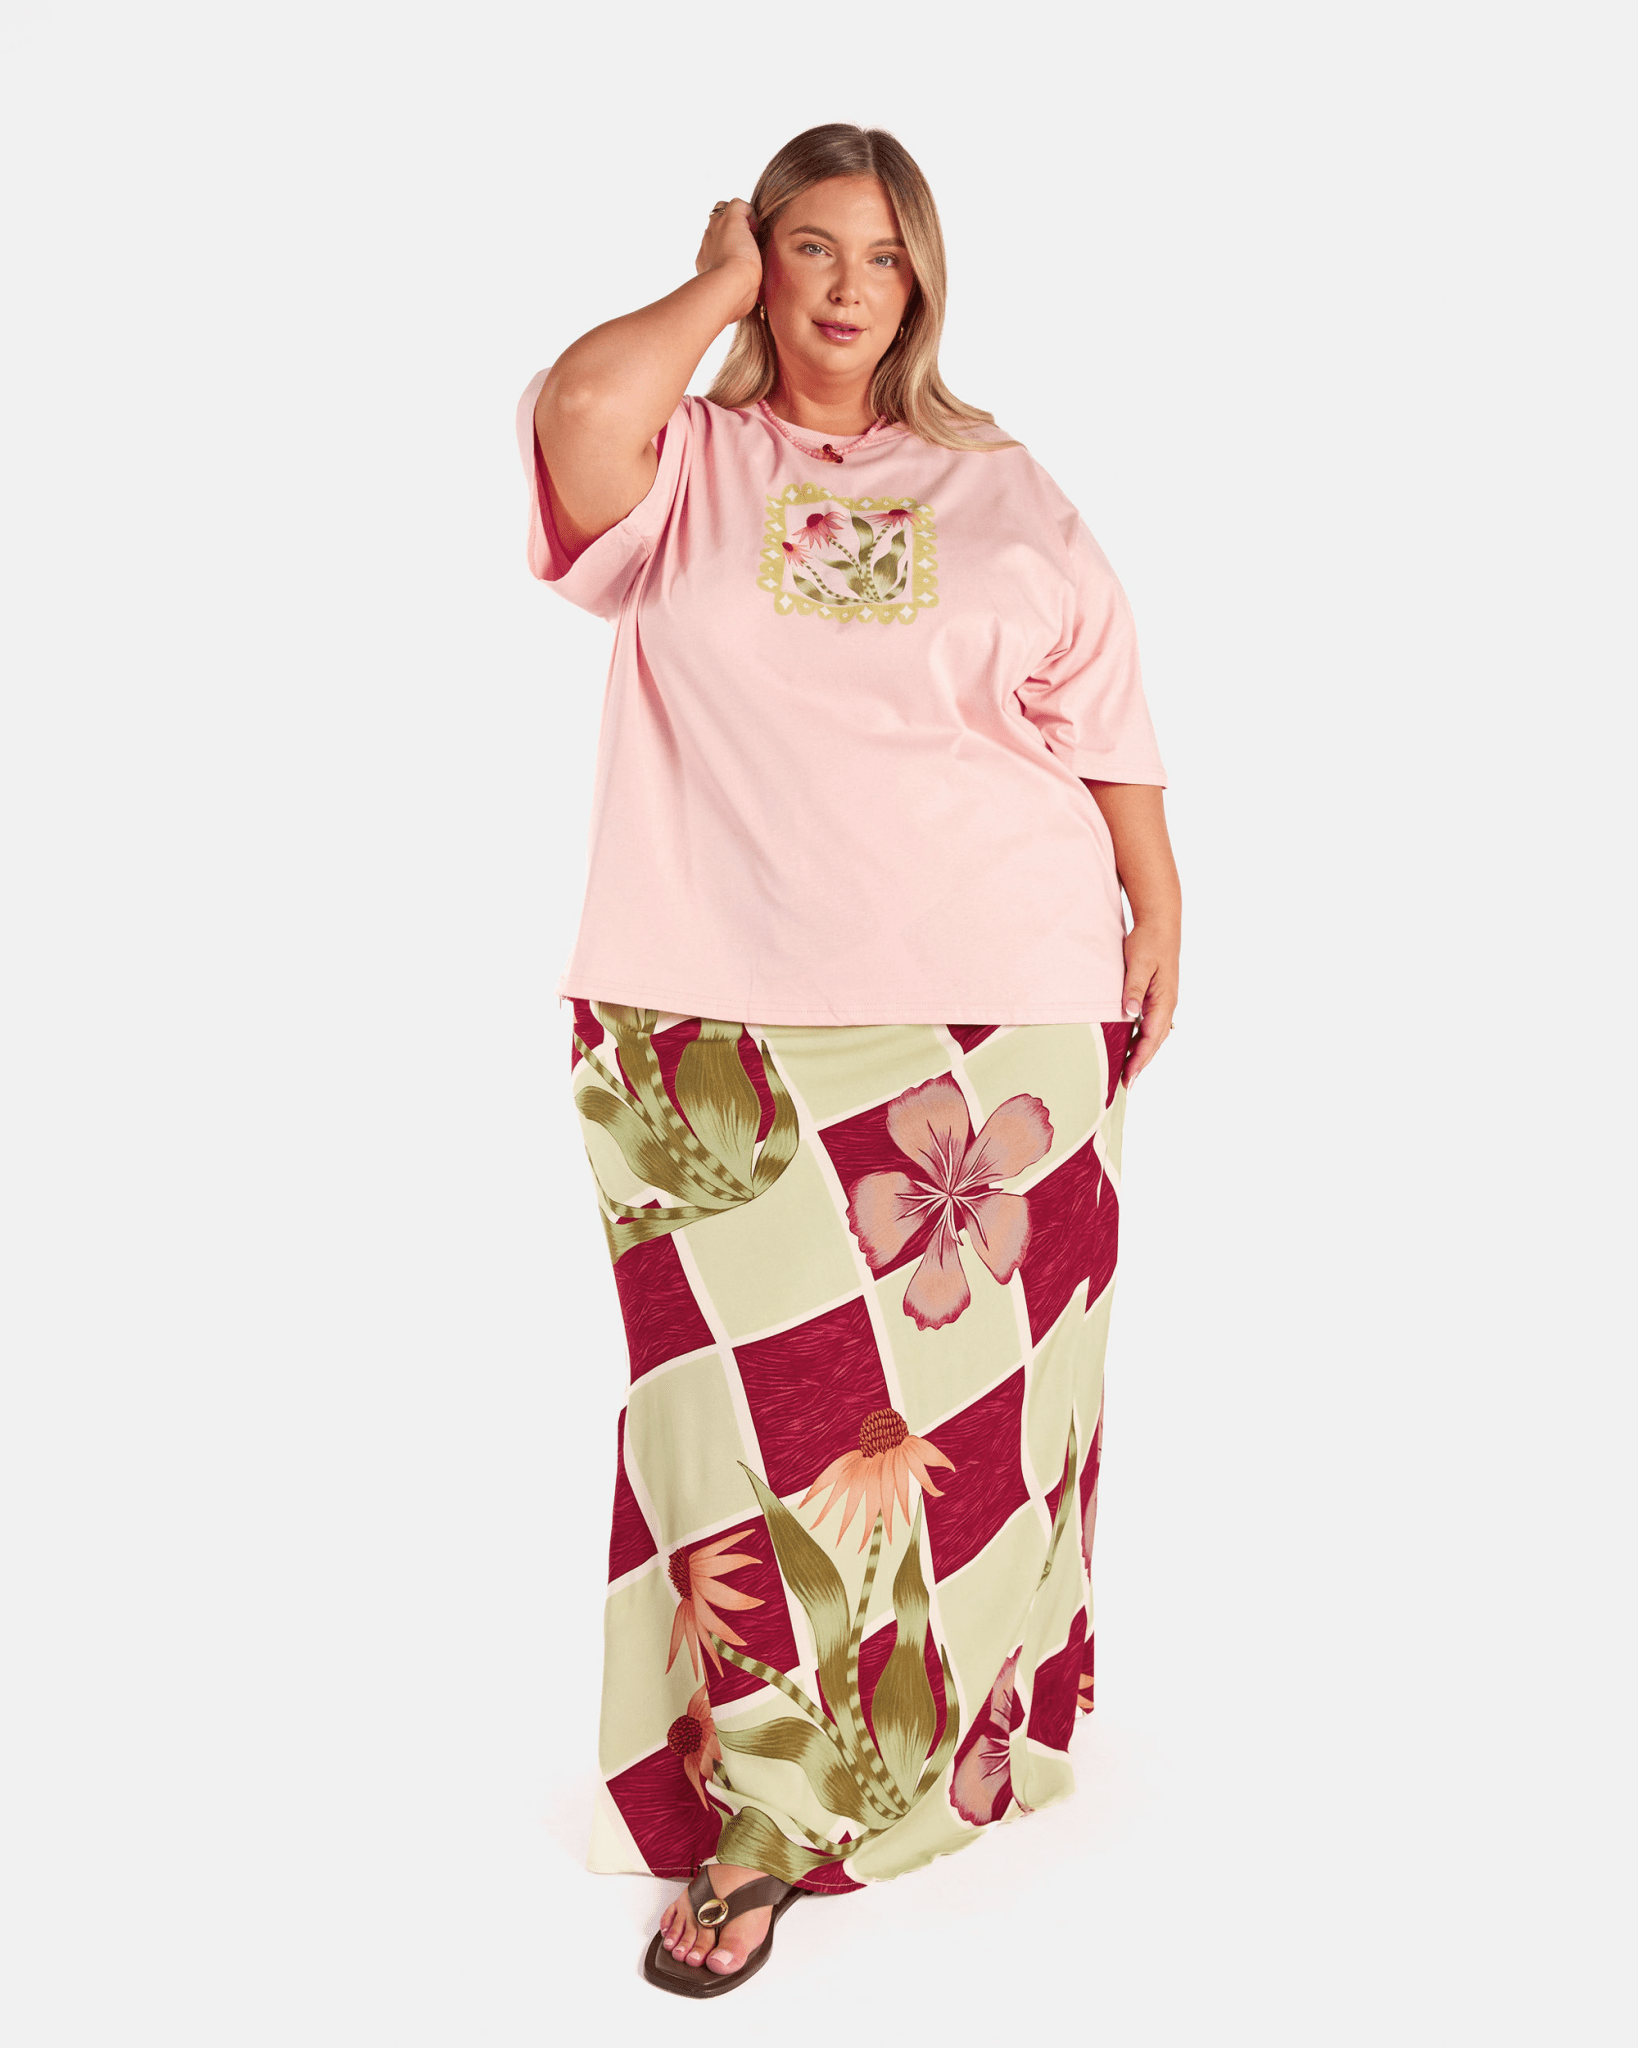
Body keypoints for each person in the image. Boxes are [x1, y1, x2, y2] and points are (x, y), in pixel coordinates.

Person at [517, 122, 1180, 1997]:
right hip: (704, 1023)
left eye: (879, 255)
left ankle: (949, 1742)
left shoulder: (1002, 484)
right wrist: (711, 283)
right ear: (761, 258)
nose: (843, 286)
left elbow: (1100, 709)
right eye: (809, 246)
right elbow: (577, 406)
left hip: (999, 1015)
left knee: (967, 1427)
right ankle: (756, 1800)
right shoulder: (683, 467)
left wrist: (1155, 904)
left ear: (922, 282)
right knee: (731, 1418)